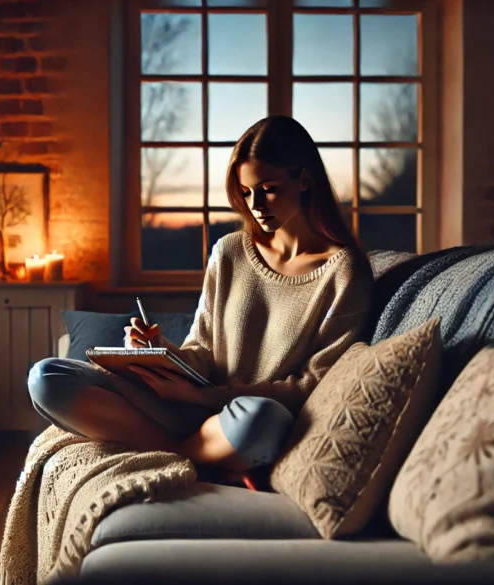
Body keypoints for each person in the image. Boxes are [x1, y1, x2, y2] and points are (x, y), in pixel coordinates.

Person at [27, 115, 373, 476]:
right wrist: (161, 352)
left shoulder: (344, 271)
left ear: (304, 180)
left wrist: (206, 398)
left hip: (240, 421)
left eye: (269, 188)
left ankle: (170, 449)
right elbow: (203, 352)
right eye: (245, 192)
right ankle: (187, 453)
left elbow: (315, 386)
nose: (256, 204)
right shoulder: (229, 252)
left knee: (262, 419)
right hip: (187, 413)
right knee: (48, 378)